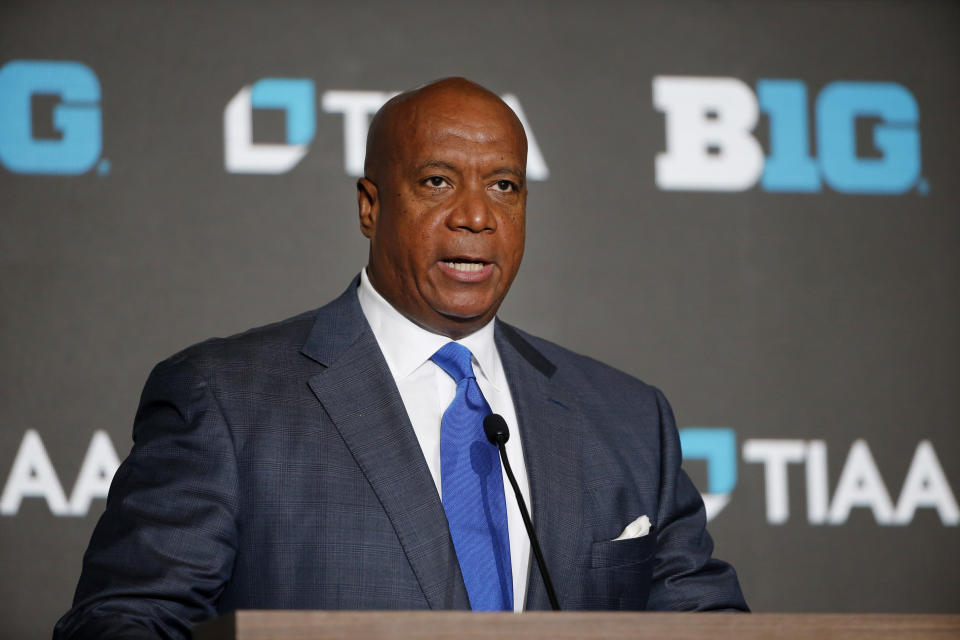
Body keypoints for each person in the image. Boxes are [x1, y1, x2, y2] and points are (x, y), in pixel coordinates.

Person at [54, 77, 747, 639]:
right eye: (438, 182)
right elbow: (126, 620)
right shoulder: (226, 400)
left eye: (504, 185)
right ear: (369, 206)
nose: (477, 216)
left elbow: (708, 628)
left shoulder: (626, 419)